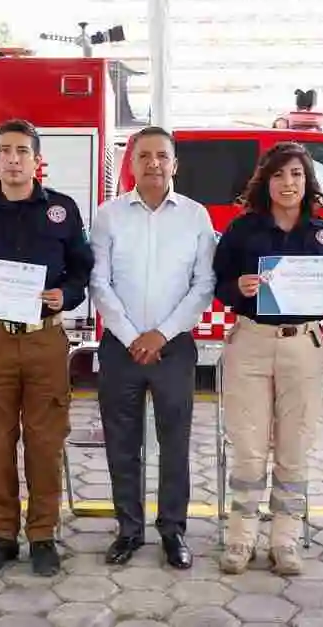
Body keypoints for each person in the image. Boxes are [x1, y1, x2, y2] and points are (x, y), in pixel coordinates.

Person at [0, 118, 95, 577]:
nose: (13, 159)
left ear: (37, 159)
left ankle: (43, 534)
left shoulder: (62, 210)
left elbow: (81, 270)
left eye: (22, 151)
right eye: (5, 151)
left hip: (45, 339)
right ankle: (1, 534)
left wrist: (65, 296)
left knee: (45, 440)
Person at [212, 142, 323, 575]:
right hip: (250, 344)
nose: (287, 183)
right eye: (278, 175)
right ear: (265, 182)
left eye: (296, 174)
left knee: (294, 449)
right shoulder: (243, 231)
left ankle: (286, 540)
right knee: (250, 452)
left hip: (304, 347)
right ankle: (240, 538)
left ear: (309, 180)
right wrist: (241, 288)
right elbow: (219, 284)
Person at [88, 126, 214, 569]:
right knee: (122, 443)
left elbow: (204, 285)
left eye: (162, 156)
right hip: (120, 348)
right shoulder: (108, 215)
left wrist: (161, 334)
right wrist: (131, 336)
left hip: (174, 347)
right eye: (144, 156)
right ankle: (128, 530)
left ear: (175, 164)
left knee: (174, 443)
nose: (154, 163)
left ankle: (173, 531)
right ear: (132, 163)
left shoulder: (196, 217)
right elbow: (99, 283)